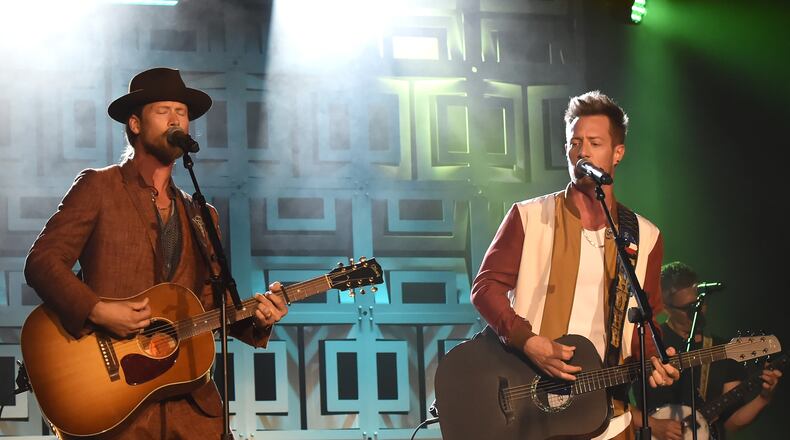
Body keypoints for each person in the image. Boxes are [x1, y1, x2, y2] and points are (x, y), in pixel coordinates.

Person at [24, 67, 289, 439]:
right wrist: (97, 310)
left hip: (191, 410)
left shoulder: (201, 214)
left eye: (182, 112)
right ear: (135, 124)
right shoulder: (99, 188)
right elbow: (42, 263)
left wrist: (259, 320)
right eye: (164, 110)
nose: (176, 119)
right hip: (115, 406)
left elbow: (209, 305)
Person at [470, 90, 679, 440]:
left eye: (594, 143)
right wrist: (527, 341)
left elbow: (646, 319)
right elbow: (485, 288)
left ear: (618, 153)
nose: (582, 152)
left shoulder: (645, 236)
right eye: (575, 143)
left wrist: (655, 358)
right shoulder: (529, 216)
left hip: (608, 414)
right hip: (535, 405)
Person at [630, 261, 782, 440]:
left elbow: (731, 422)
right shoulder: (648, 343)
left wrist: (763, 398)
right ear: (666, 308)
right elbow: (616, 405)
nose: (699, 311)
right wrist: (654, 426)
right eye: (688, 308)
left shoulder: (725, 350)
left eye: (700, 303)